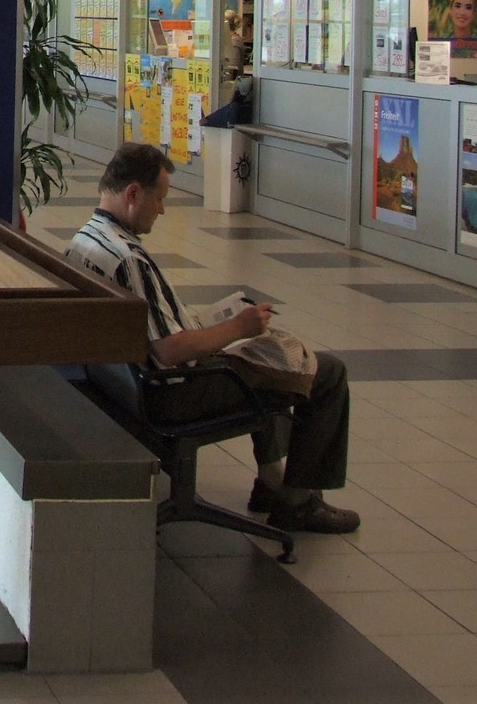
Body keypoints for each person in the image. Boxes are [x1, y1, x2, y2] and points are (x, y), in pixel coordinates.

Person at [64, 143, 359, 534]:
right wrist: (238, 328)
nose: (163, 210)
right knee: (322, 372)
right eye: (160, 199)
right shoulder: (128, 258)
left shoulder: (87, 239)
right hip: (171, 394)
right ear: (133, 194)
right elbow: (169, 350)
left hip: (120, 382)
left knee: (264, 360)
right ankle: (298, 501)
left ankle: (272, 482)